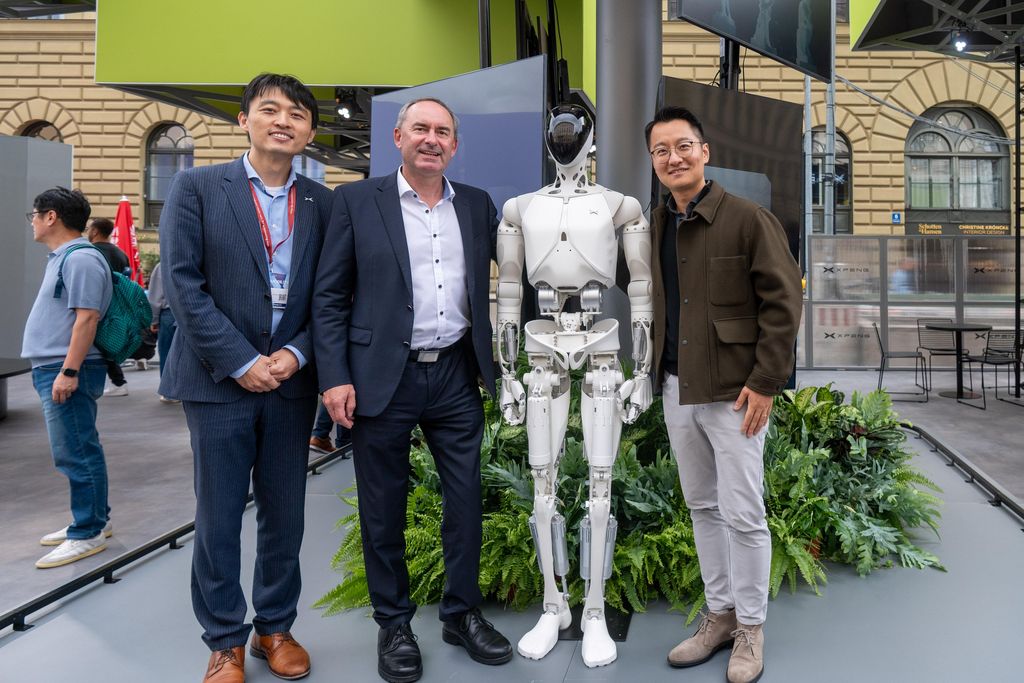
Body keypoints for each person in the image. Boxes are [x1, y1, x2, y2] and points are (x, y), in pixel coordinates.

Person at [313, 97, 511, 683]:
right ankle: (393, 624)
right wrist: (334, 377)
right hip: (380, 377)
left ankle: (461, 612)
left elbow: (514, 276)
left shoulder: (476, 205)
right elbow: (328, 297)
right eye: (420, 128)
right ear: (397, 136)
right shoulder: (354, 201)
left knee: (466, 500)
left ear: (455, 145)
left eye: (442, 131)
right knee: (383, 507)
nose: (431, 139)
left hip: (455, 371)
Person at [159, 73, 331, 683]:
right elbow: (183, 285)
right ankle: (225, 640)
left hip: (292, 383)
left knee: (286, 512)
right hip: (216, 382)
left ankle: (274, 629)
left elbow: (333, 297)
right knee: (220, 514)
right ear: (244, 121)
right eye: (269, 109)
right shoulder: (197, 187)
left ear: (311, 130)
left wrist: (296, 355)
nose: (283, 120)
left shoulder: (323, 202)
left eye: (296, 114)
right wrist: (242, 360)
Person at [645, 106, 802, 683]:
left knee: (743, 514)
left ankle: (751, 629)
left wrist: (765, 383)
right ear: (653, 161)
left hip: (736, 395)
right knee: (703, 508)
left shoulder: (747, 219)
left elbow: (784, 306)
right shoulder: (655, 225)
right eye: (661, 150)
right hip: (675, 387)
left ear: (704, 151)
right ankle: (720, 616)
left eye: (683, 146)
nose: (673, 158)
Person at [22, 187, 114, 569]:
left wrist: (69, 371)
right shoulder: (66, 257)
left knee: (75, 450)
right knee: (77, 447)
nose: (31, 221)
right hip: (56, 367)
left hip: (66, 368)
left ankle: (88, 530)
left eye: (34, 214)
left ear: (51, 216)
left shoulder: (80, 259)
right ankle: (92, 519)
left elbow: (87, 318)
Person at [86, 217, 132, 396]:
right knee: (107, 344)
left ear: (95, 231)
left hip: (96, 305)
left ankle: (118, 382)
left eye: (90, 228)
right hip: (117, 306)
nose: (88, 231)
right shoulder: (122, 254)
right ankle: (117, 382)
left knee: (96, 345)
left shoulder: (91, 252)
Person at [146, 260, 179, 403]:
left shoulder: (163, 265)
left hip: (168, 312)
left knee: (167, 352)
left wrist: (153, 320)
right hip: (190, 310)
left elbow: (155, 297)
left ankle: (170, 392)